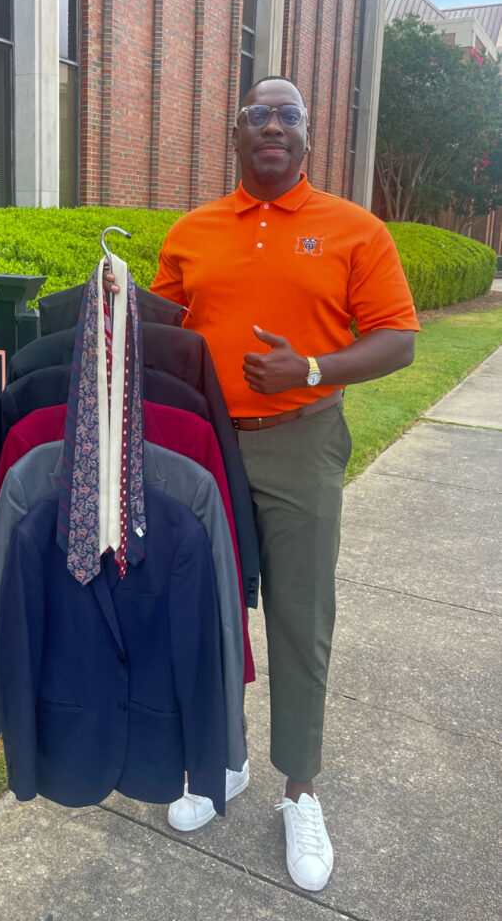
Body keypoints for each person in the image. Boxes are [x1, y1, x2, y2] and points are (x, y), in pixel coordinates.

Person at [105, 75, 419, 892]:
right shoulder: (193, 231)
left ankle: (300, 790)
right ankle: (222, 762)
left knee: (298, 615)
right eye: (258, 115)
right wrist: (114, 301)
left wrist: (308, 367)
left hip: (299, 443)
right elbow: (162, 330)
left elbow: (398, 341)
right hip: (203, 448)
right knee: (202, 610)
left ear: (307, 136)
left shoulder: (353, 229)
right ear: (237, 134)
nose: (272, 125)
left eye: (288, 114)